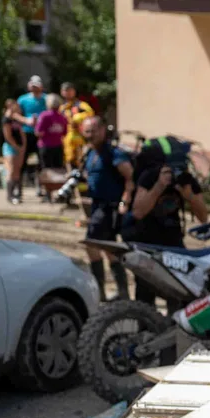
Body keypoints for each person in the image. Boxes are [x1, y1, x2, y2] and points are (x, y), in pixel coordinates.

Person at [122, 158, 208, 309]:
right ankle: (145, 328)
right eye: (170, 170)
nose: (173, 174)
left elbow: (203, 218)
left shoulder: (185, 180)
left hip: (173, 242)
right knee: (145, 293)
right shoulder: (150, 176)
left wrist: (189, 196)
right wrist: (159, 186)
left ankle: (176, 326)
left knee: (179, 290)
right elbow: (138, 212)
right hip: (147, 240)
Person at [80, 116, 134, 301]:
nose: (90, 135)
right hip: (97, 206)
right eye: (87, 131)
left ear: (103, 130)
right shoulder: (90, 153)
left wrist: (124, 202)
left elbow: (130, 178)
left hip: (109, 207)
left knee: (92, 244)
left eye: (93, 130)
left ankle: (101, 292)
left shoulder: (114, 153)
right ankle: (121, 292)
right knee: (109, 248)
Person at [17, 76, 48, 194]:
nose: (35, 88)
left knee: (41, 162)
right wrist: (26, 120)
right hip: (26, 133)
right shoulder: (22, 99)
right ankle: (19, 190)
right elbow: (16, 114)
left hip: (42, 135)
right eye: (33, 86)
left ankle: (41, 187)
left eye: (37, 86)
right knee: (22, 161)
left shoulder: (47, 99)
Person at [60, 83, 94, 169]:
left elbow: (90, 113)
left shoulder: (81, 105)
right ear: (62, 92)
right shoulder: (62, 108)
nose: (68, 93)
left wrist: (78, 118)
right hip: (66, 138)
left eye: (70, 90)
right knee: (68, 160)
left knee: (81, 159)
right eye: (66, 90)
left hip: (80, 137)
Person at [0, 99, 28, 204]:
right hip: (10, 147)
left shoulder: (17, 119)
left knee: (18, 171)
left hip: (20, 147)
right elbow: (7, 136)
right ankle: (10, 195)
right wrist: (16, 146)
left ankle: (18, 194)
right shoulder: (6, 120)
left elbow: (22, 133)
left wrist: (23, 146)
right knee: (11, 170)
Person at [34, 94, 68, 171]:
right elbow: (64, 133)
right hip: (58, 146)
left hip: (45, 146)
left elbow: (38, 132)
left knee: (47, 170)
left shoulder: (44, 115)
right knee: (58, 170)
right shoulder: (63, 117)